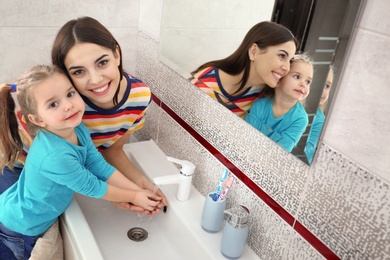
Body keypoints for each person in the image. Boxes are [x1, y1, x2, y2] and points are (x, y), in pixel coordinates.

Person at [0, 65, 162, 259]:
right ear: (38, 120)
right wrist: (134, 197)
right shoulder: (54, 155)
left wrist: (137, 191)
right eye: (53, 104)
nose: (68, 105)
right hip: (23, 227)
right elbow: (92, 187)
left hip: (23, 209)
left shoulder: (76, 129)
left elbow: (96, 164)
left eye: (70, 94)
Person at [48, 16, 167, 211]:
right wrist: (116, 194)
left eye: (102, 63)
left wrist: (140, 182)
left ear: (117, 54)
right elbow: (61, 163)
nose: (95, 80)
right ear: (66, 75)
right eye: (79, 72)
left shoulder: (139, 97)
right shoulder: (67, 107)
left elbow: (112, 150)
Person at [191, 21, 298, 118]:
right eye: (282, 56)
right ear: (254, 51)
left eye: (290, 60)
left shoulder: (262, 95)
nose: (287, 68)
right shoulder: (205, 82)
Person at [244, 54, 313, 152]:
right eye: (297, 76)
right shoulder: (260, 105)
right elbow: (245, 135)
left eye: (308, 82)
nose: (303, 85)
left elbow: (281, 153)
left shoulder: (300, 119)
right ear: (279, 80)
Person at [304, 66, 334, 164]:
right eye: (318, 82)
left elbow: (307, 149)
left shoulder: (320, 121)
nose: (322, 90)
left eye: (327, 86)